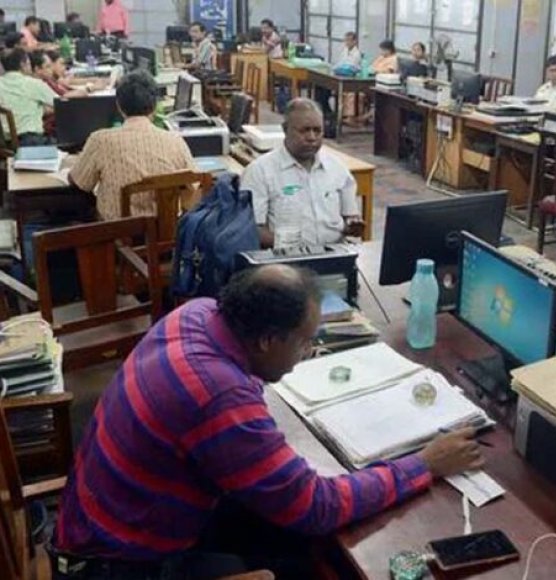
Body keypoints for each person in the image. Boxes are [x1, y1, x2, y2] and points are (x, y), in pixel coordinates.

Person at [51, 264, 483, 577]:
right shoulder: (218, 396)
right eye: (305, 342)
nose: (309, 353)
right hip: (119, 563)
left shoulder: (198, 313)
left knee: (295, 536)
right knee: (318, 552)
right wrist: (424, 464)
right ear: (266, 340)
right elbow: (317, 506)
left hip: (99, 518)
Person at [69, 70, 195, 221]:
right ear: (155, 105)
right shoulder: (175, 141)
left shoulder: (100, 140)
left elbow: (80, 183)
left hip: (116, 233)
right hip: (166, 232)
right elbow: (194, 185)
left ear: (118, 105)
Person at [241, 98, 364, 249]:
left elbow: (350, 216)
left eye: (317, 131)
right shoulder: (260, 171)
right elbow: (253, 229)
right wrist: (293, 247)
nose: (312, 137)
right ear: (285, 129)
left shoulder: (337, 168)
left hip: (335, 252)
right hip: (286, 258)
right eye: (304, 130)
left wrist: (353, 224)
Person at [0, 48, 57, 146]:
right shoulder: (33, 84)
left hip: (4, 141)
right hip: (31, 141)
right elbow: (60, 103)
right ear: (23, 64)